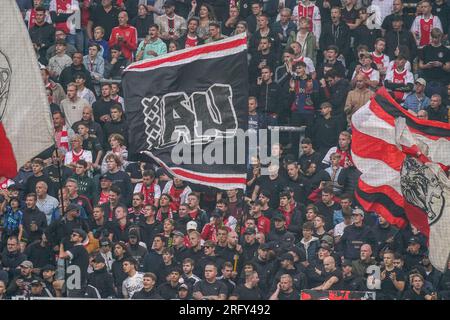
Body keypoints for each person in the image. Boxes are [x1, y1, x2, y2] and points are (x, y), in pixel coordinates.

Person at [57, 228, 90, 297]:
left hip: (76, 283)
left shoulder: (79, 248)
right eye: (72, 234)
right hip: (72, 281)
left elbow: (61, 255)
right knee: (56, 285)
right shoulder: (78, 249)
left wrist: (61, 244)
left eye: (74, 235)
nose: (72, 236)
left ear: (80, 238)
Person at [418, 28, 450, 97]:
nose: (435, 40)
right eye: (433, 37)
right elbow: (420, 65)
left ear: (440, 37)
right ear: (431, 37)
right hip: (427, 79)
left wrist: (440, 64)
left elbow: (448, 68)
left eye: (437, 38)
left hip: (441, 80)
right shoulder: (425, 49)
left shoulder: (446, 50)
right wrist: (426, 66)